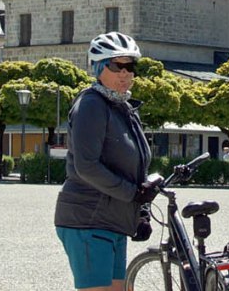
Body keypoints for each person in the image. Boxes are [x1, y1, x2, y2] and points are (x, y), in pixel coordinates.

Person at [55, 32, 154, 291]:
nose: (125, 73)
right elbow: (86, 166)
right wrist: (133, 194)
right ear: (99, 68)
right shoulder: (91, 104)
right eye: (115, 65)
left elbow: (135, 166)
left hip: (113, 221)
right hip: (88, 219)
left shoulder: (122, 107)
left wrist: (140, 213)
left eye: (130, 66)